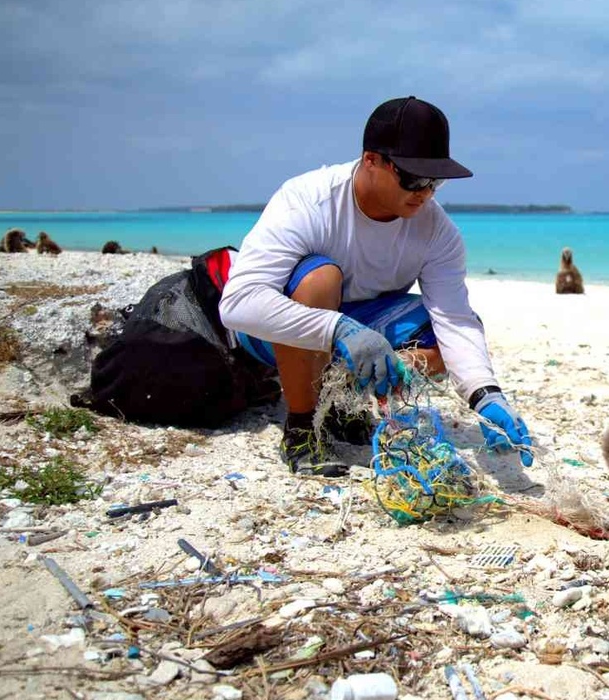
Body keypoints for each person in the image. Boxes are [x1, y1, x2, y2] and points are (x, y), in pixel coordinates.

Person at [219, 96, 533, 476]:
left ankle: (341, 403)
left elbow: (454, 319)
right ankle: (302, 428)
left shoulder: (437, 231)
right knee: (321, 278)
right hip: (276, 333)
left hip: (360, 330)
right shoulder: (308, 201)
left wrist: (485, 394)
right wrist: (339, 329)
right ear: (371, 160)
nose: (424, 193)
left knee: (444, 340)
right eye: (413, 178)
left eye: (435, 181)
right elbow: (238, 303)